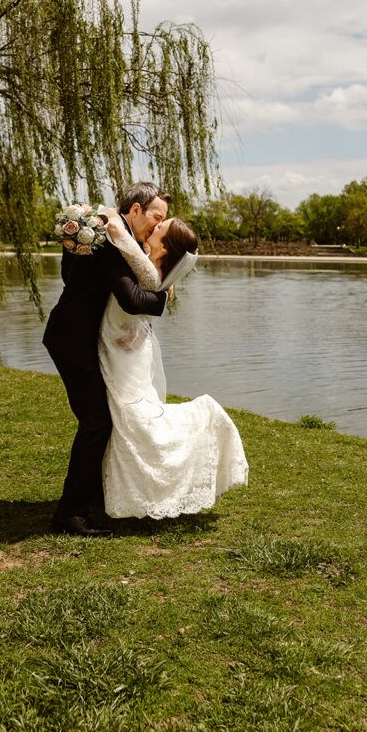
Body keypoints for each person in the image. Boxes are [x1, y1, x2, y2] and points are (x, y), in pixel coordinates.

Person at [43, 182, 173, 536]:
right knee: (97, 422)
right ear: (134, 211)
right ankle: (70, 514)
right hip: (74, 339)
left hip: (77, 335)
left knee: (102, 420)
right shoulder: (110, 240)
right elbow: (131, 300)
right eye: (156, 217)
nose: (158, 225)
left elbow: (69, 275)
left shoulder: (108, 236)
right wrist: (163, 301)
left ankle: (94, 496)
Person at [98, 213, 248, 520]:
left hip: (120, 352)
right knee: (129, 418)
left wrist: (108, 220)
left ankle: (202, 419)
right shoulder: (153, 269)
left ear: (165, 247)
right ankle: (125, 489)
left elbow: (118, 234)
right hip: (122, 348)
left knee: (134, 418)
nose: (154, 227)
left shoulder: (151, 273)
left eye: (160, 228)